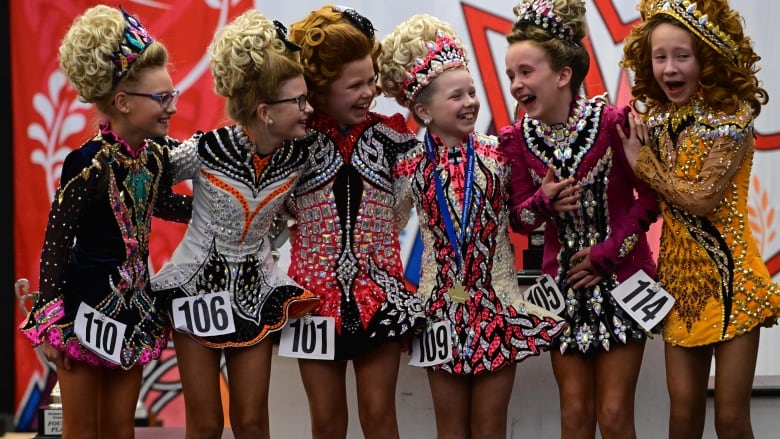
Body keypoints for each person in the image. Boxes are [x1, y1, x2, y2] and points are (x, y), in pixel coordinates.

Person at [377, 14, 568, 438]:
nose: (469, 103)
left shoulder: (500, 154)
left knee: (489, 429)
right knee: (451, 431)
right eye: (455, 96)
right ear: (423, 110)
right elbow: (385, 226)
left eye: (472, 92)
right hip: (439, 312)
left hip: (497, 304)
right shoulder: (409, 166)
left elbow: (524, 218)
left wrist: (545, 199)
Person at [16, 5, 191, 438]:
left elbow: (161, 204)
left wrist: (217, 212)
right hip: (83, 313)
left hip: (133, 312)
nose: (172, 107)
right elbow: (57, 242)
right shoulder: (86, 164)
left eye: (173, 96)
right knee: (81, 430)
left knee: (119, 429)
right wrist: (51, 320)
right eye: (163, 98)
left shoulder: (155, 157)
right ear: (123, 102)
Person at [150, 9, 320, 439]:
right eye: (298, 101)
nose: (309, 109)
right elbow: (147, 184)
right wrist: (196, 216)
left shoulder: (300, 155)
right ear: (265, 111)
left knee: (252, 423)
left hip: (253, 289)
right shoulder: (207, 149)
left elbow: (291, 212)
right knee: (206, 424)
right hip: (194, 288)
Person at [499, 0, 660, 438]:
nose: (515, 84)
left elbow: (648, 201)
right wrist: (544, 200)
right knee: (573, 417)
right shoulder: (515, 140)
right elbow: (521, 220)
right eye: (510, 74)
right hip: (563, 290)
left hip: (623, 282)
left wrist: (606, 255)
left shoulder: (614, 123)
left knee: (612, 416)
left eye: (526, 72)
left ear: (563, 74)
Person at [621, 1, 780, 437]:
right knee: (682, 418)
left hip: (733, 283)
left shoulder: (732, 119)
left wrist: (645, 164)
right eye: (659, 57)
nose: (669, 68)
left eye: (681, 56)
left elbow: (701, 200)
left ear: (706, 58)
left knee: (730, 419)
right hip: (678, 286)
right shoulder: (654, 121)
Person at [284, 5, 425, 438]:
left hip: (380, 294)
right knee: (326, 424)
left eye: (372, 80)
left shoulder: (394, 137)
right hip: (311, 300)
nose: (370, 93)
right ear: (320, 90)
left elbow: (414, 202)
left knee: (381, 419)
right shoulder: (295, 143)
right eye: (356, 85)